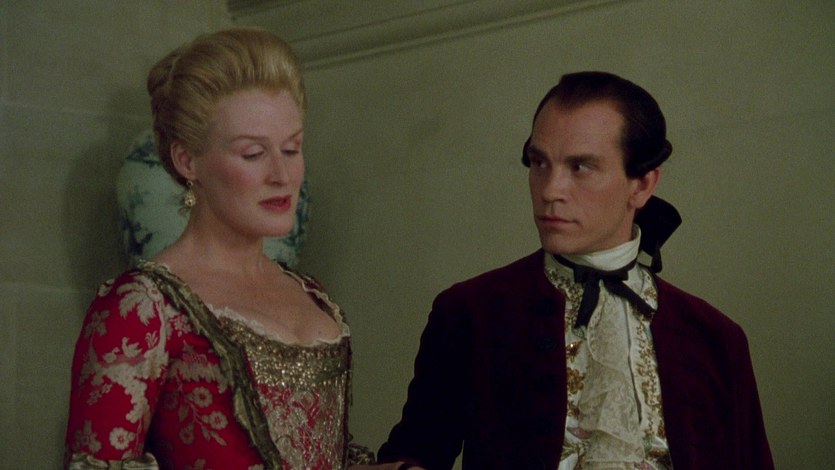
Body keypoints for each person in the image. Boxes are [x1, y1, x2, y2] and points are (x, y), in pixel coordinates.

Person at [377, 71, 774, 469]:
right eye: (539, 163)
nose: (550, 190)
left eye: (580, 167)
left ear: (642, 185)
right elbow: (412, 452)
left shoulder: (716, 338)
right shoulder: (471, 312)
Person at [64, 28, 375, 469]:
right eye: (252, 154)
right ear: (187, 161)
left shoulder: (310, 293)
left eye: (292, 149)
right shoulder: (142, 308)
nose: (281, 175)